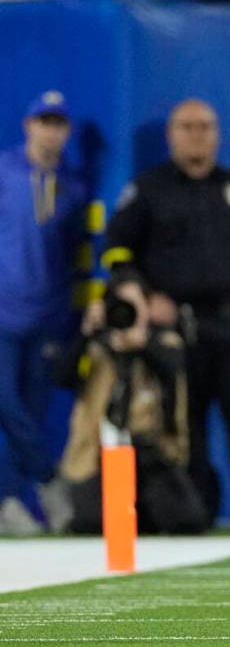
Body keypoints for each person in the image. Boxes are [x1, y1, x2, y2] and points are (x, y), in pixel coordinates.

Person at [101, 99, 230, 529]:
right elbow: (116, 251)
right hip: (176, 327)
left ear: (217, 133)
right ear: (171, 134)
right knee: (185, 423)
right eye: (186, 126)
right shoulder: (148, 190)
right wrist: (143, 295)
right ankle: (195, 508)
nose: (196, 134)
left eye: (204, 126)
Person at [57, 270, 208, 535]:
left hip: (151, 454)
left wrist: (142, 343)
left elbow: (173, 370)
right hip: (100, 455)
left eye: (135, 304)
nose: (127, 313)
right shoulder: (96, 347)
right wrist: (86, 333)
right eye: (120, 304)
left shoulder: (164, 342)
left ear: (147, 307)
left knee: (187, 520)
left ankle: (146, 513)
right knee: (91, 523)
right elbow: (62, 377)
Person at [0, 91, 87, 534]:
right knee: (7, 403)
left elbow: (76, 255)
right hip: (3, 312)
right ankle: (48, 481)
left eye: (58, 123)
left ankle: (11, 500)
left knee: (31, 412)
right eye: (43, 121)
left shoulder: (73, 186)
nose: (50, 130)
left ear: (66, 131)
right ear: (28, 125)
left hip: (48, 315)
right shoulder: (4, 170)